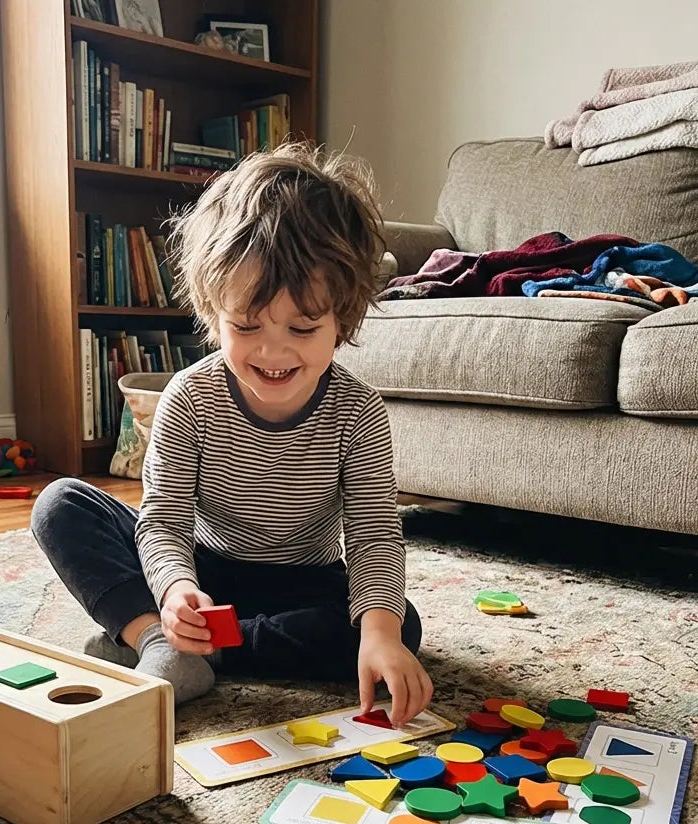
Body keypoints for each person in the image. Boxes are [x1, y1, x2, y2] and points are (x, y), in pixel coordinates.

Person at [31, 142, 433, 727]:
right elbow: (163, 522)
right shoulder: (190, 398)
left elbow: (372, 536)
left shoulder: (357, 411)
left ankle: (202, 647)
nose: (273, 351)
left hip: (300, 583)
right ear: (212, 310)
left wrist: (379, 633)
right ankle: (158, 637)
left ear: (342, 321)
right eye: (246, 326)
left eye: (302, 327)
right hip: (203, 569)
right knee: (61, 505)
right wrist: (173, 595)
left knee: (400, 624)